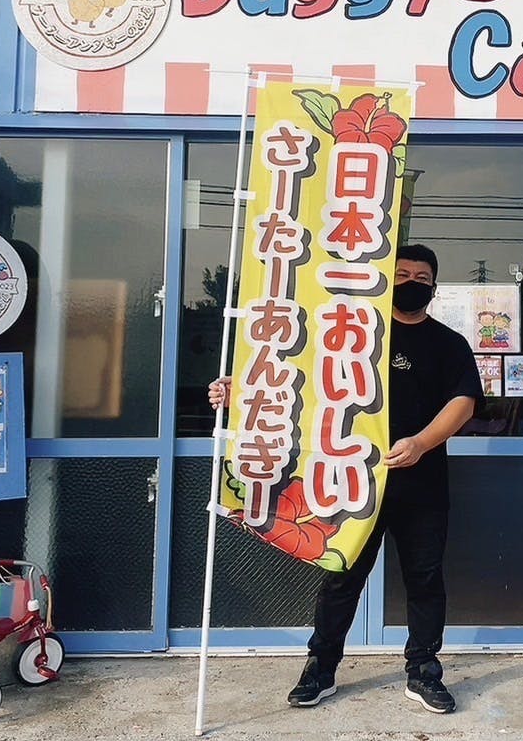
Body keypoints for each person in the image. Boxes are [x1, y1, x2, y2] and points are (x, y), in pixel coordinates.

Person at [208, 244, 481, 714]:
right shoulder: (353, 335)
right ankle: (321, 667)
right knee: (342, 577)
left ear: (434, 288)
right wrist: (243, 391)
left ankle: (423, 670)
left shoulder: (448, 343)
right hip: (352, 481)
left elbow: (464, 402)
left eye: (422, 278)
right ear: (385, 279)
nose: (412, 283)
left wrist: (421, 442)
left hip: (421, 485)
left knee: (425, 579)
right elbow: (297, 380)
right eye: (402, 274)